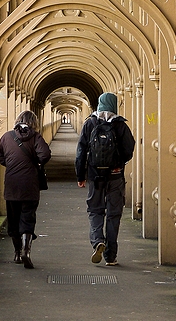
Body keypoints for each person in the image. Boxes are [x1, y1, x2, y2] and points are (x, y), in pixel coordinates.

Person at [75, 92, 135, 266]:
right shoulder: (120, 125)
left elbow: (80, 152)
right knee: (113, 214)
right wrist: (118, 164)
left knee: (95, 210)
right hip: (115, 176)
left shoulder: (89, 123)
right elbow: (129, 150)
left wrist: (81, 175)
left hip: (95, 175)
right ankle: (111, 255)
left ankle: (97, 241)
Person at [0, 110, 51, 269]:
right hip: (30, 185)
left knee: (13, 219)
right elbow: (45, 155)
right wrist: (35, 162)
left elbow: (1, 157)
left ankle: (17, 253)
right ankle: (27, 251)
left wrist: (13, 165)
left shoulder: (7, 137)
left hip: (12, 185)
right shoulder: (35, 137)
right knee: (28, 217)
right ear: (34, 123)